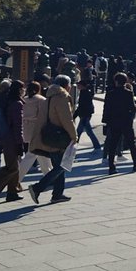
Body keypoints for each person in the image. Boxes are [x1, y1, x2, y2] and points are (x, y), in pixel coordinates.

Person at [28, 74, 76, 203]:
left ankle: (57, 194)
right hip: (59, 136)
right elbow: (67, 119)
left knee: (59, 164)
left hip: (48, 135)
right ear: (66, 85)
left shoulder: (48, 96)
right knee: (62, 166)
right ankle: (38, 187)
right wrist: (74, 135)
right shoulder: (62, 97)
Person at [102, 72, 136, 173]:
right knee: (132, 143)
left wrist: (105, 121)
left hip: (114, 121)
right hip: (126, 121)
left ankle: (112, 167)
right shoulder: (128, 93)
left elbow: (106, 108)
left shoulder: (110, 93)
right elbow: (132, 107)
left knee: (113, 144)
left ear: (116, 81)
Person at [74, 82, 102, 152]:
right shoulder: (84, 92)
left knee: (80, 131)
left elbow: (82, 106)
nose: (77, 86)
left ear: (83, 86)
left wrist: (74, 115)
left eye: (79, 85)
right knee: (87, 131)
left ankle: (73, 146)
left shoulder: (85, 93)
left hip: (85, 115)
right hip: (85, 114)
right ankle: (97, 146)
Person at [23, 80, 46, 150]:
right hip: (36, 128)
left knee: (27, 150)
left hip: (25, 126)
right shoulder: (41, 100)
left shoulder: (24, 99)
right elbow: (43, 114)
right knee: (36, 152)